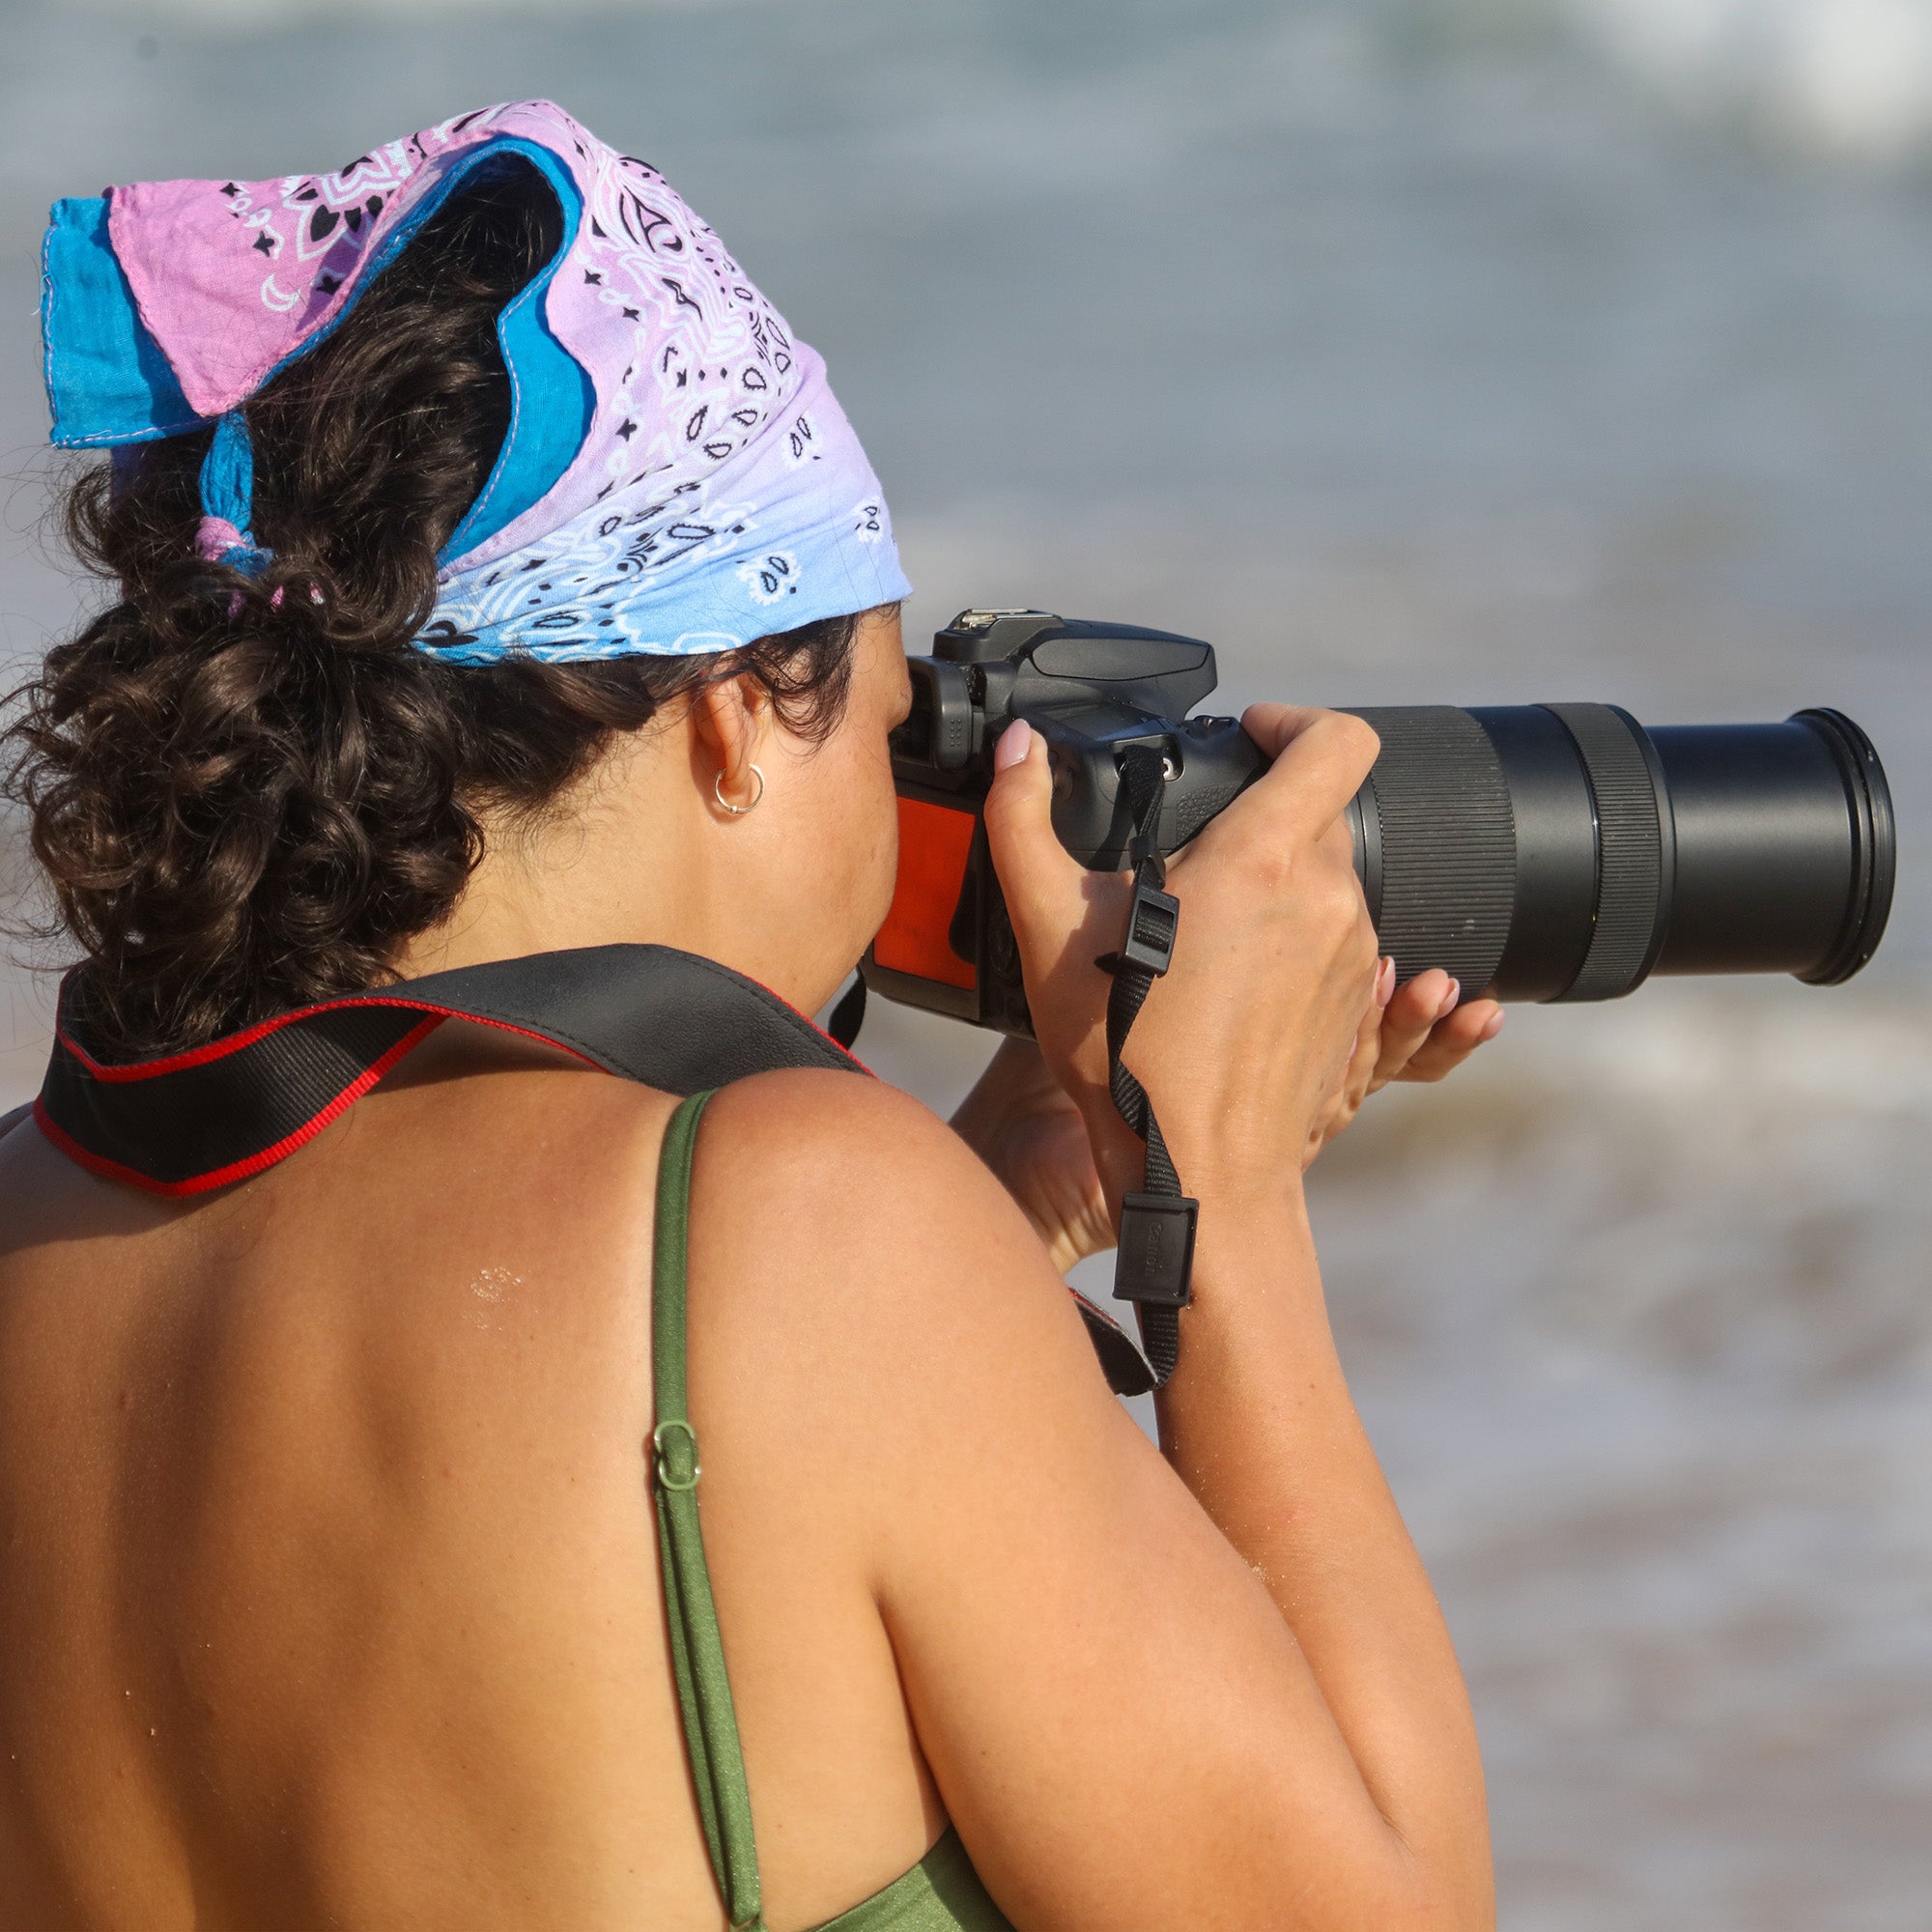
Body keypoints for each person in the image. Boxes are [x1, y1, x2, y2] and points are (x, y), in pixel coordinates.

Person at [0, 102, 1504, 1931]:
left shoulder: (39, 1213)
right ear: (727, 715)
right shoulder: (812, 1238)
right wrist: (1229, 1197)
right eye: (881, 725)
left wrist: (1007, 1212)